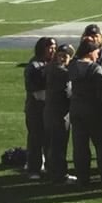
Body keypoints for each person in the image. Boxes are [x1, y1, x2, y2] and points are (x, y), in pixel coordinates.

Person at [67, 27, 102, 187]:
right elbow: (101, 92)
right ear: (90, 52)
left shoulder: (72, 65)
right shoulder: (95, 68)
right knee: (101, 145)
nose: (98, 54)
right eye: (96, 52)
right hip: (94, 110)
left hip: (76, 109)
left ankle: (82, 178)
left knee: (80, 146)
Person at [21, 37, 55, 178]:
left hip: (47, 107)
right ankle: (34, 169)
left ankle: (48, 166)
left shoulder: (50, 63)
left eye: (54, 47)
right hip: (36, 108)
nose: (53, 50)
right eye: (50, 47)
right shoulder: (34, 66)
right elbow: (36, 91)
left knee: (49, 139)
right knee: (36, 138)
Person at [41, 43, 73, 183]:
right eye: (60, 56)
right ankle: (59, 175)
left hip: (53, 112)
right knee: (59, 145)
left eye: (65, 56)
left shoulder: (52, 68)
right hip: (58, 113)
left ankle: (53, 172)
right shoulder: (59, 70)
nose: (62, 59)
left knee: (54, 145)